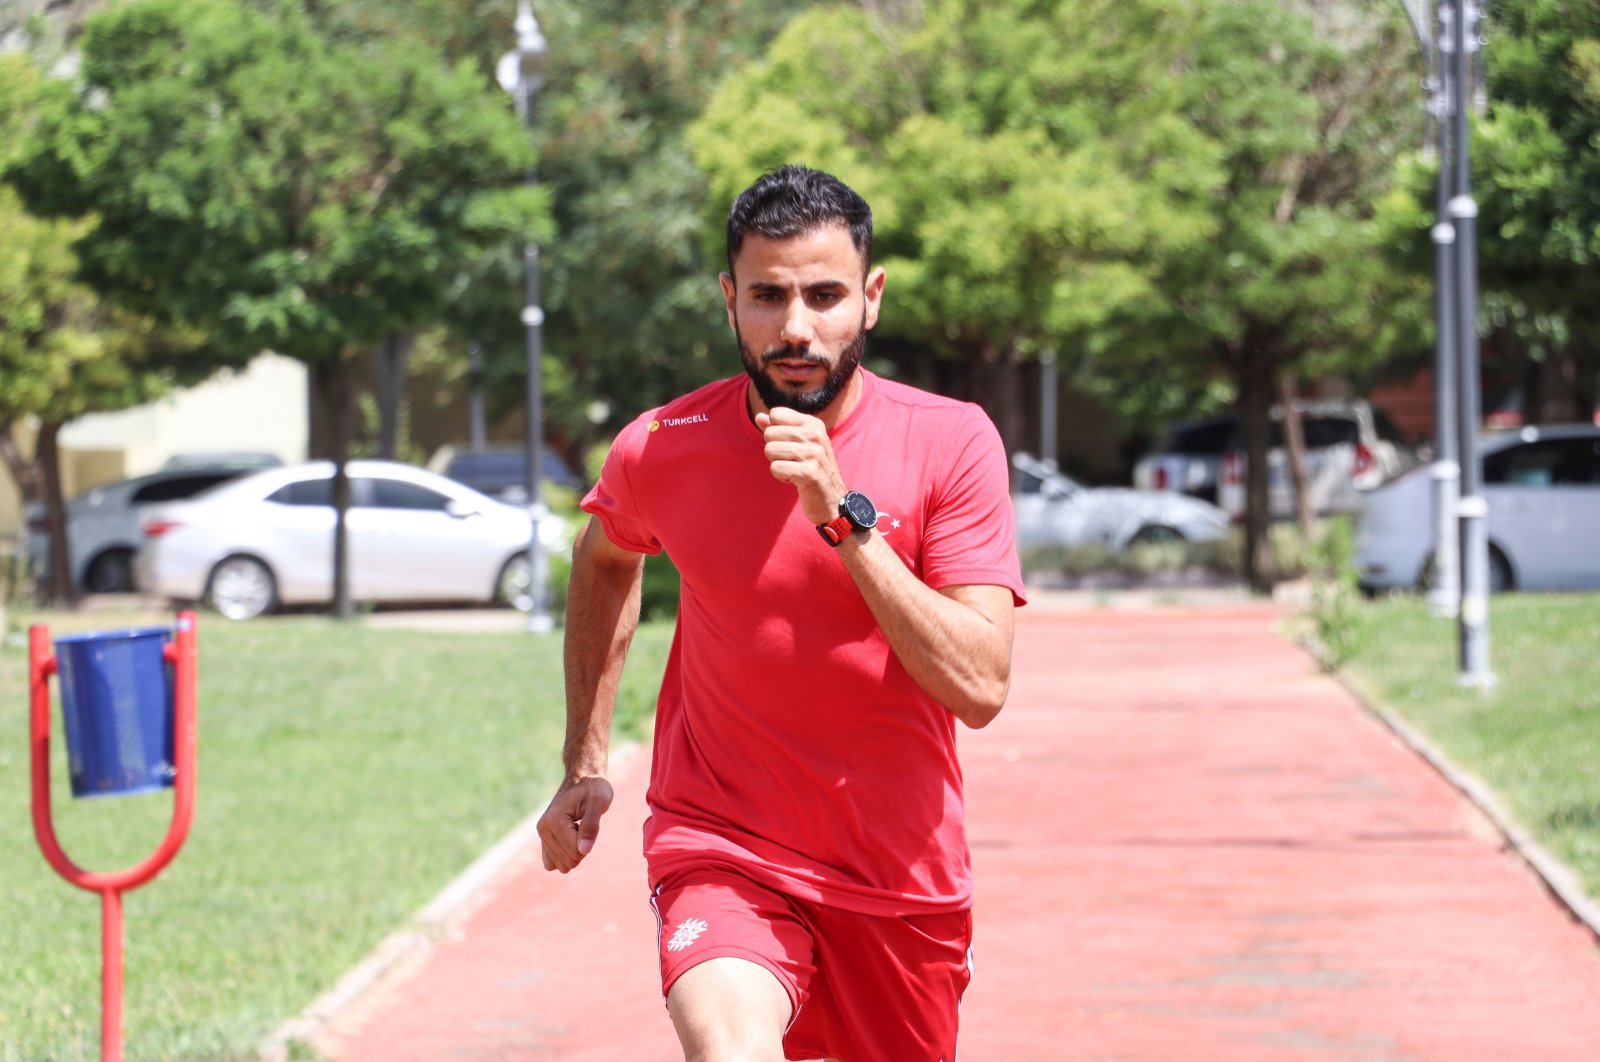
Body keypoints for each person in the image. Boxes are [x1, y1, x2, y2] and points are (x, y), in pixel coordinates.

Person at [536, 163, 1026, 1061]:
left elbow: (981, 683)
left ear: (871, 298)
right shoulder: (662, 447)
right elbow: (604, 559)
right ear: (729, 298)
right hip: (721, 844)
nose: (796, 327)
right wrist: (586, 759)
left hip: (898, 880)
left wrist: (844, 516)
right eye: (767, 295)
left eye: (825, 295)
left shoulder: (951, 441)